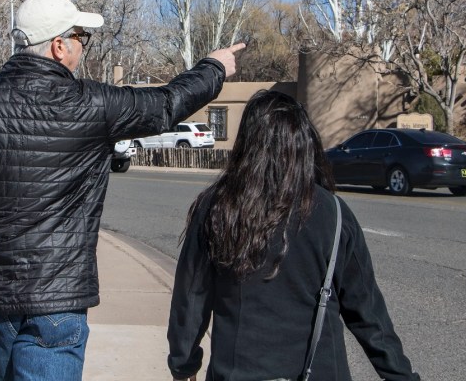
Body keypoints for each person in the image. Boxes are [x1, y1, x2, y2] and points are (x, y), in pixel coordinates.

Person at [0, 0, 245, 380]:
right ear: (59, 46)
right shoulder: (93, 104)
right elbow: (166, 103)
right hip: (57, 301)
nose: (82, 47)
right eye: (81, 38)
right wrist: (214, 67)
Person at [167, 89, 420, 381]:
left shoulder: (217, 207)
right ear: (304, 143)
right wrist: (402, 376)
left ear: (247, 143)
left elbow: (192, 296)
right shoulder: (334, 213)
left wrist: (183, 365)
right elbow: (368, 313)